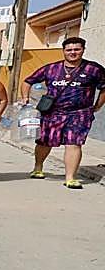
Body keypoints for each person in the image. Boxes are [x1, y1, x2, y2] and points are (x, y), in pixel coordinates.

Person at [21, 37, 105, 189]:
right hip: (52, 112)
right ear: (64, 51)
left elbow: (104, 87)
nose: (73, 52)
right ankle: (38, 167)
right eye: (69, 50)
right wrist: (25, 97)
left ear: (83, 50)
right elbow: (28, 81)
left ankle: (70, 177)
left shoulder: (94, 69)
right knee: (45, 141)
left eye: (77, 49)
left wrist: (98, 105)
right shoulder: (51, 68)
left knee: (74, 143)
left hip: (79, 114)